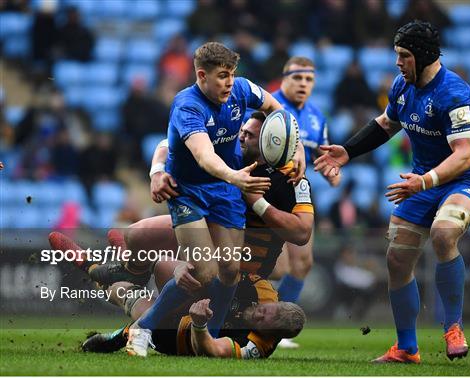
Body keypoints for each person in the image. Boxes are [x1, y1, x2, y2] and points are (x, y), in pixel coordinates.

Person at [314, 21, 470, 363]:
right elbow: (385, 124)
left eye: (404, 56)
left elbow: (466, 154)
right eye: (397, 55)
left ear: (424, 56)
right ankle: (407, 348)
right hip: (423, 181)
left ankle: (452, 328)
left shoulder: (454, 93)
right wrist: (347, 152)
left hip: (465, 179)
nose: (398, 63)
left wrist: (423, 181)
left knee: (443, 234)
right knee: (397, 259)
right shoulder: (402, 86)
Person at [125, 42, 306, 357]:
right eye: (223, 76)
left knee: (229, 270)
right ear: (201, 75)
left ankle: (208, 336)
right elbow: (204, 156)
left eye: (232, 75)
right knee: (203, 271)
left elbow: (278, 110)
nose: (229, 82)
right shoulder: (188, 106)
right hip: (190, 191)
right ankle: (143, 325)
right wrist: (235, 177)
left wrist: (297, 147)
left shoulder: (241, 91)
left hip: (223, 192)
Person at [48, 232, 305, 359]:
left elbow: (210, 350)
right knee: (166, 266)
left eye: (261, 318)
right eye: (265, 308)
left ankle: (93, 268)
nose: (258, 311)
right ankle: (129, 261)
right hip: (194, 296)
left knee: (133, 302)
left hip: (182, 336)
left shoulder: (255, 346)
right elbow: (224, 269)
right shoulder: (265, 292)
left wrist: (200, 324)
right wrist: (187, 263)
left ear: (271, 334)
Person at [269, 56, 339, 348]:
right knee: (276, 267)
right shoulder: (268, 105)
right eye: (297, 78)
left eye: (309, 80)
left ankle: (275, 327)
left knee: (303, 263)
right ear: (285, 78)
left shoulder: (316, 117)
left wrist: (331, 171)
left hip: (296, 195)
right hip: (265, 192)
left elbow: (320, 158)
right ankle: (244, 317)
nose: (303, 84)